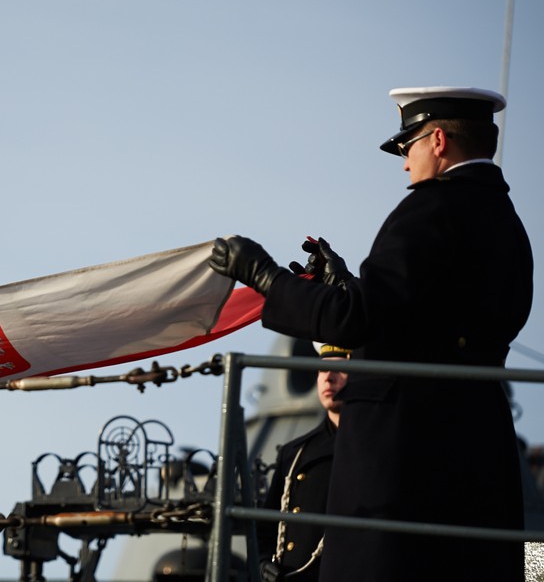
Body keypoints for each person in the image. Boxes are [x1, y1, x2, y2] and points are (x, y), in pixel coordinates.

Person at [209, 87, 532, 581]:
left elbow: (354, 322)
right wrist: (351, 286)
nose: (405, 163)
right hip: (476, 458)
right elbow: (426, 320)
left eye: (408, 147)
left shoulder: (431, 209)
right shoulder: (508, 224)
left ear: (438, 139)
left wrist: (266, 278)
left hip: (402, 468)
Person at [257, 343, 349, 582]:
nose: (329, 378)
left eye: (341, 369)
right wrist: (263, 562)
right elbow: (266, 527)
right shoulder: (294, 453)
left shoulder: (377, 450)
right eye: (321, 369)